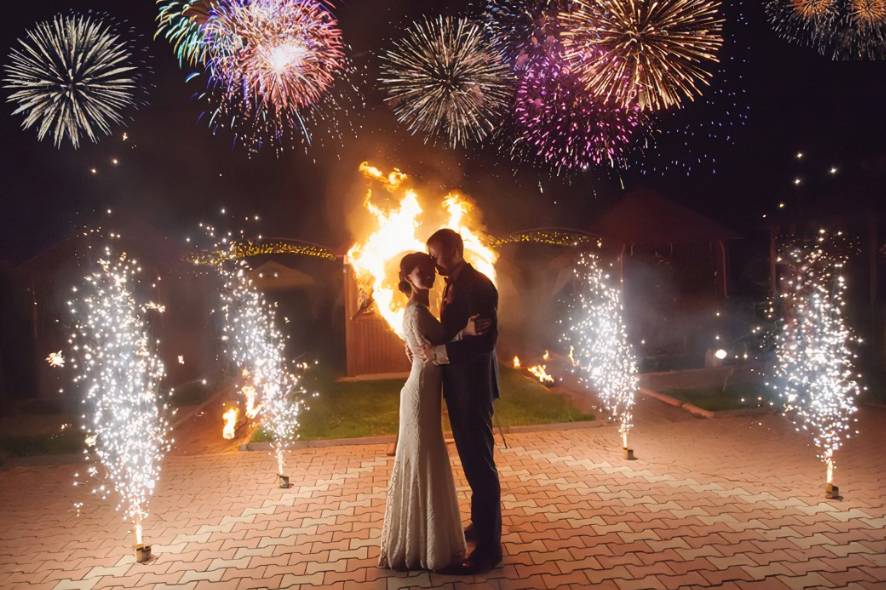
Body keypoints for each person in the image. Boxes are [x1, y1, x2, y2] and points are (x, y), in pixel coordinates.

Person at [378, 252, 489, 572]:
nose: (427, 275)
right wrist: (464, 333)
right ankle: (424, 547)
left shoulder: (419, 309)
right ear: (407, 277)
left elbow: (424, 349)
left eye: (429, 270)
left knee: (425, 459)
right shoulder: (415, 312)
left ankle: (422, 540)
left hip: (422, 391)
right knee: (424, 459)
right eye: (419, 272)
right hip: (420, 393)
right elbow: (430, 354)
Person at [422, 228, 503, 573]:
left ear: (454, 250)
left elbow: (483, 343)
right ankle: (480, 524)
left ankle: (489, 548)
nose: (432, 262)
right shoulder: (452, 284)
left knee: (480, 464)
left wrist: (439, 352)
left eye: (435, 254)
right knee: (471, 460)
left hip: (473, 388)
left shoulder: (480, 287)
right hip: (459, 387)